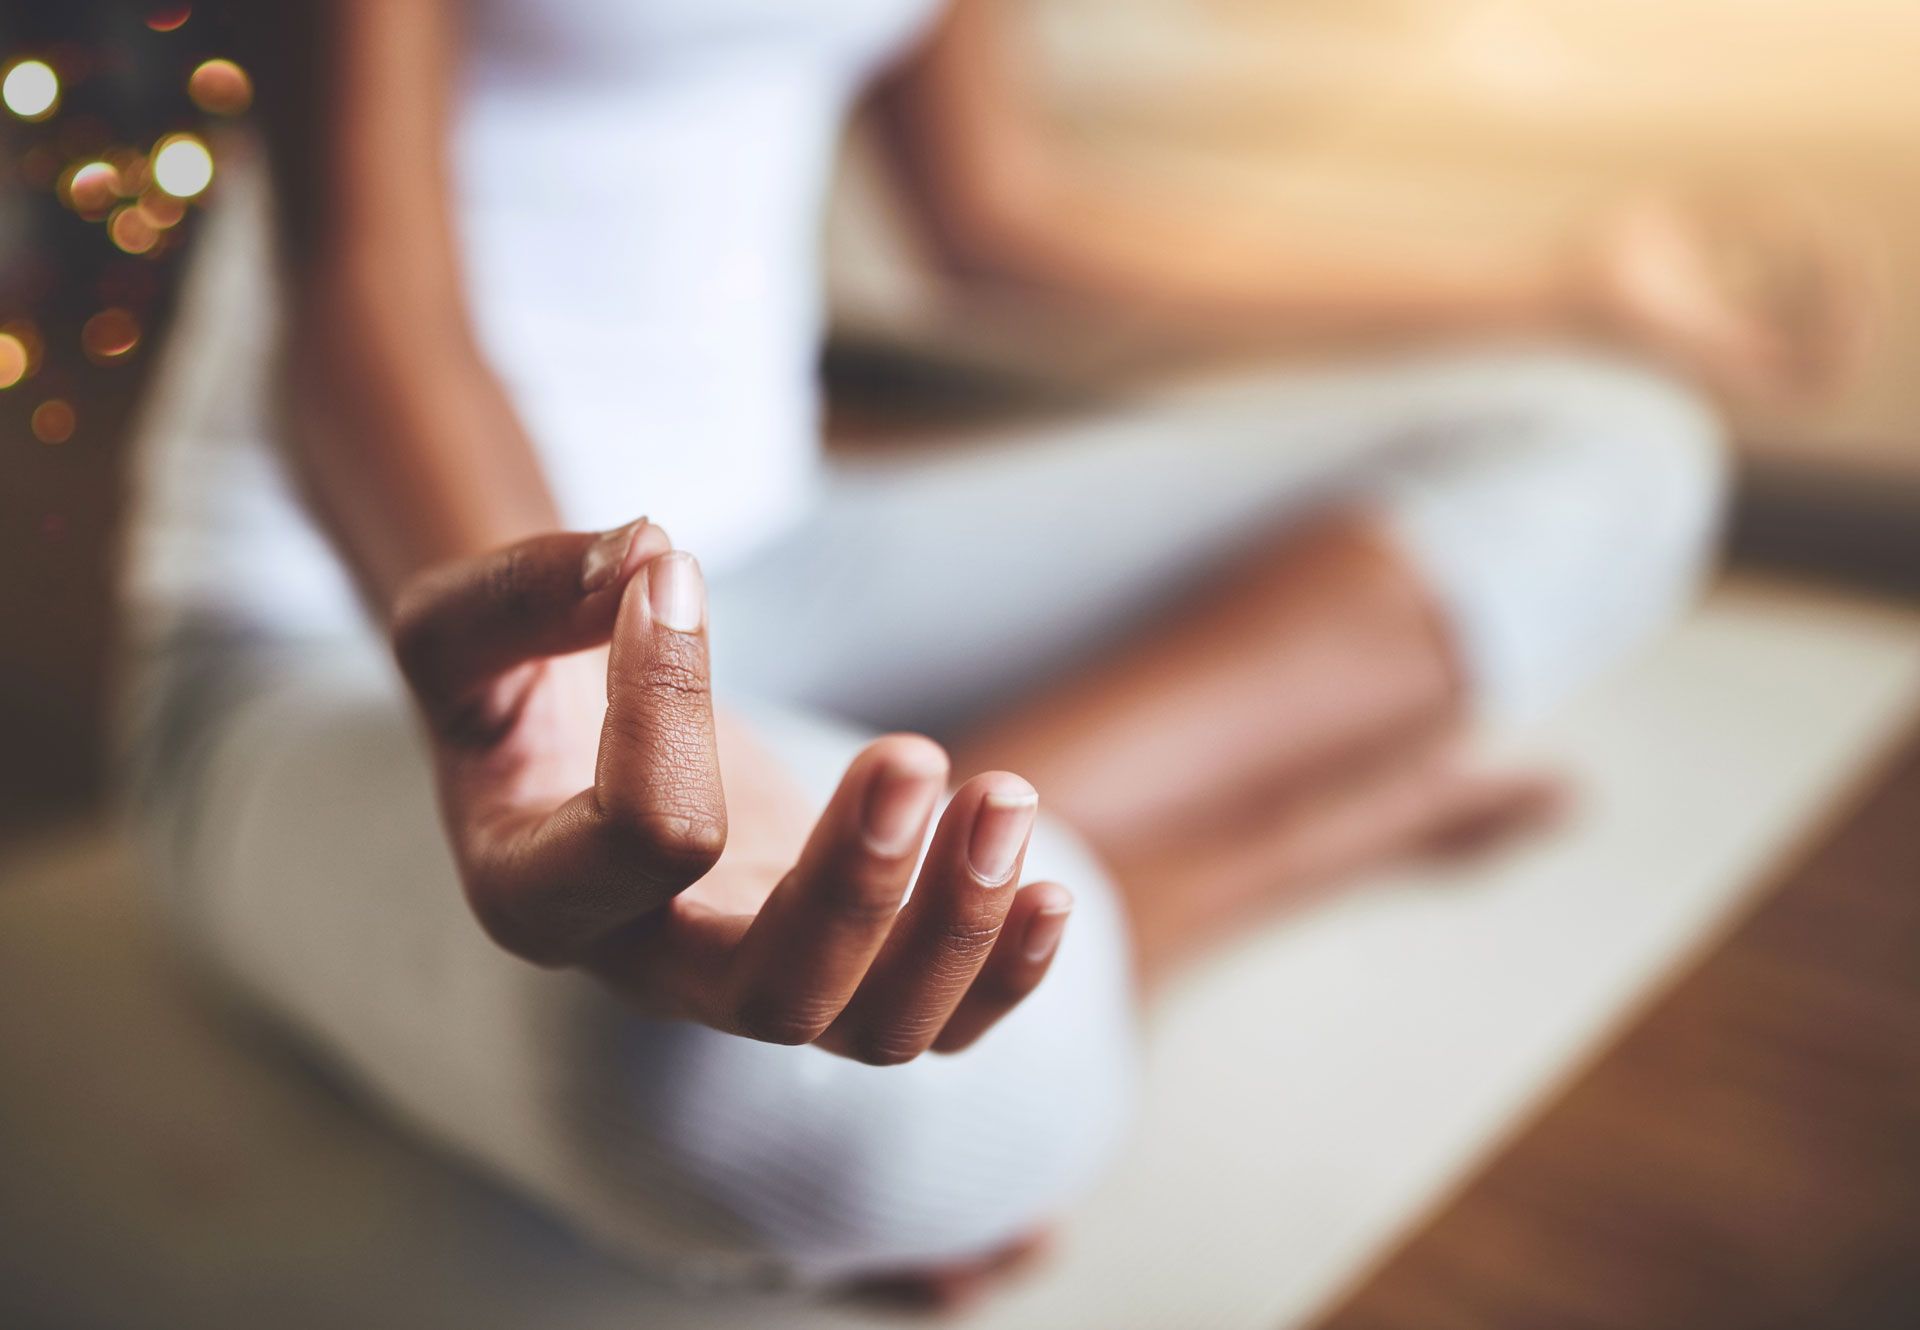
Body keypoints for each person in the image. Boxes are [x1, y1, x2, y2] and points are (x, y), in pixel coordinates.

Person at [117, 0, 1848, 1305]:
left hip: (791, 557)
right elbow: (368, 294)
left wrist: (1561, 280)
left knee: (1608, 448)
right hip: (345, 627)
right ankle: (1230, 856)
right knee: (788, 1109)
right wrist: (566, 714)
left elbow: (1003, 214)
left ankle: (985, 878)